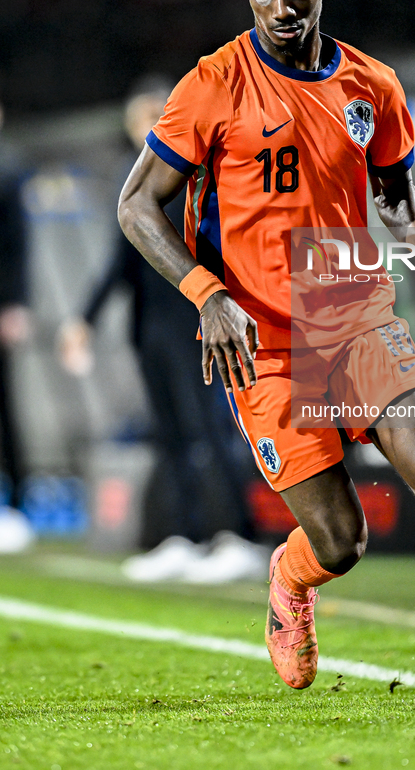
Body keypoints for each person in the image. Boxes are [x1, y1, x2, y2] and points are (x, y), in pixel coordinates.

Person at [117, 0, 415, 692]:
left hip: (354, 313)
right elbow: (136, 205)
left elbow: (397, 191)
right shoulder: (211, 84)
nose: (281, 8)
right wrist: (207, 293)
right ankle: (290, 582)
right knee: (340, 541)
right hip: (263, 341)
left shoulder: (370, 84)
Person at [60, 79, 263, 581]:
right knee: (170, 433)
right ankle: (185, 537)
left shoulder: (198, 172)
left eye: (156, 112)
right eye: (139, 116)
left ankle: (238, 536)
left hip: (198, 324)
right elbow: (119, 262)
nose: (146, 125)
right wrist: (84, 320)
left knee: (211, 429)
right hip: (150, 328)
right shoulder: (137, 186)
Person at [0, 100, 35, 553]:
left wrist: (15, 305)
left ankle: (19, 504)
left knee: (6, 407)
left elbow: (17, 246)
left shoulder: (8, 168)